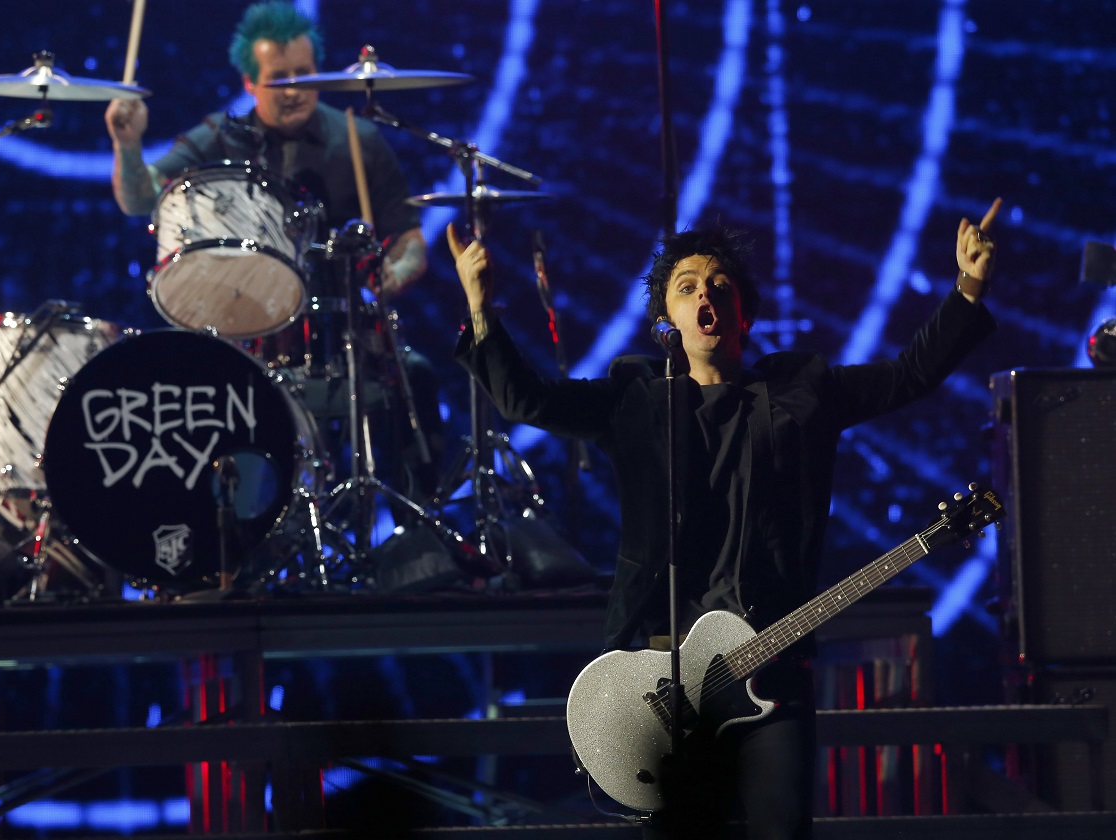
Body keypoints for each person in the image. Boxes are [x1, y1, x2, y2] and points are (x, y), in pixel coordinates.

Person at [448, 198, 1000, 839]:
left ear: (743, 311)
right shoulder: (635, 401)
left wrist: (969, 287)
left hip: (771, 671)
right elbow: (527, 400)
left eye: (719, 284)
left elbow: (908, 375)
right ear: (668, 321)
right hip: (667, 685)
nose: (705, 293)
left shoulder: (804, 395)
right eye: (687, 288)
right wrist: (480, 310)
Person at [104, 1, 442, 505]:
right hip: (246, 333)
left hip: (344, 331)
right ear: (249, 83)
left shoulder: (357, 139)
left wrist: (393, 274)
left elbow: (410, 240)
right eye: (278, 78)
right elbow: (139, 198)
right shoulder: (219, 137)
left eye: (304, 74)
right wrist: (127, 147)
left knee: (415, 375)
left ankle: (421, 531)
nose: (294, 89)